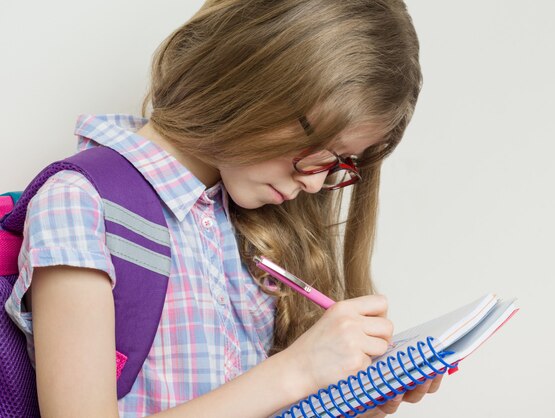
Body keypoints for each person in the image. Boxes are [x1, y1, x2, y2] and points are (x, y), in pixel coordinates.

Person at [5, 0, 442, 416]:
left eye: (339, 163)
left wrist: (352, 397)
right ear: (248, 77)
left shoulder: (252, 222)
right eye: (316, 150)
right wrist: (300, 369)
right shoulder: (83, 204)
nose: (314, 182)